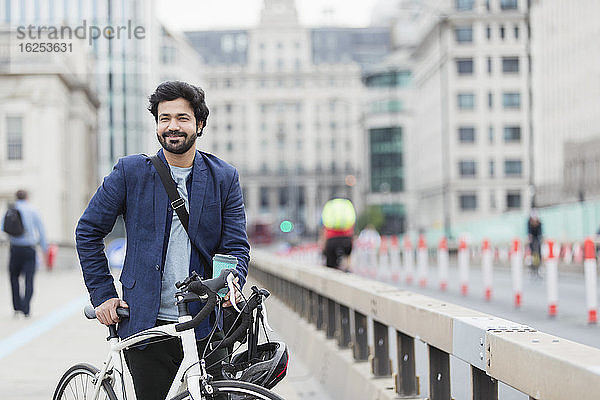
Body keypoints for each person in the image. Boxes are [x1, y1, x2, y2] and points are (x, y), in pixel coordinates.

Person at [76, 81, 250, 400]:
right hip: (145, 323)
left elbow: (236, 246)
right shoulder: (130, 172)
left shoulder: (224, 177)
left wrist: (231, 282)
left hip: (204, 322)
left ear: (199, 123)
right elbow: (87, 231)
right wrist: (102, 294)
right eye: (164, 118)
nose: (172, 126)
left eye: (182, 118)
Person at [1, 189, 47, 318]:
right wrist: (44, 249)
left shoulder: (11, 209)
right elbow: (41, 231)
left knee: (14, 278)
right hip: (29, 249)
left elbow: (2, 227)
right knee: (29, 279)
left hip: (14, 248)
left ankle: (17, 308)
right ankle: (26, 309)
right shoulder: (33, 210)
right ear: (27, 197)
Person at [321, 198, 356, 271]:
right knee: (347, 258)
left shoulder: (329, 209)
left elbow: (324, 231)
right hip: (346, 239)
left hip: (331, 239)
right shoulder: (348, 208)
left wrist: (323, 247)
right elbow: (352, 231)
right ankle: (347, 269)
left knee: (330, 266)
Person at [527, 210, 543, 277]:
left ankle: (538, 267)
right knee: (533, 254)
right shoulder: (529, 223)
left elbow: (540, 232)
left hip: (537, 239)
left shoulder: (539, 223)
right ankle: (533, 268)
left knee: (538, 254)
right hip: (532, 240)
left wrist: (541, 238)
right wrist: (529, 237)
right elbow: (529, 232)